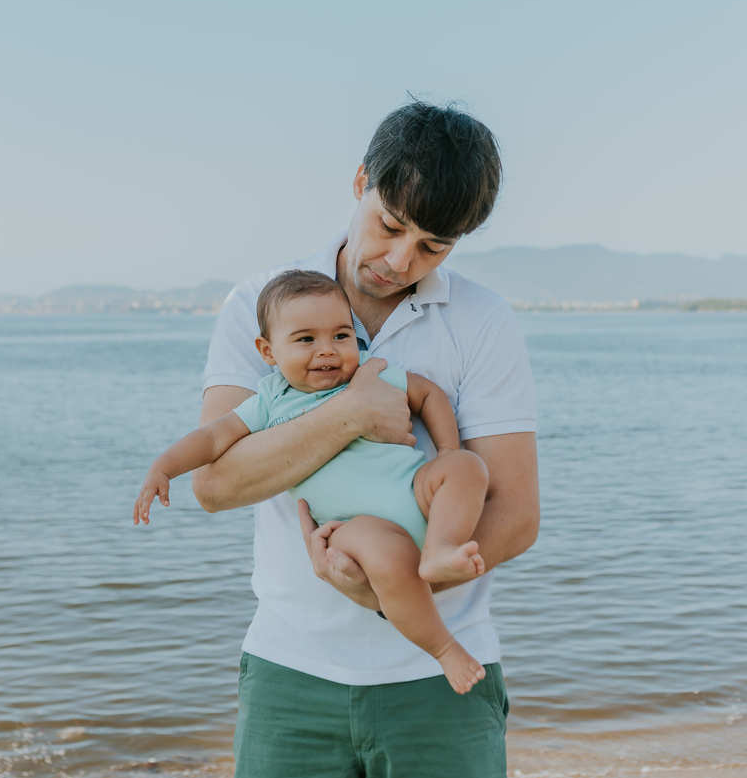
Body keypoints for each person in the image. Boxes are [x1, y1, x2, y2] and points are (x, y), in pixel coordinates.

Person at [193, 101, 539, 778]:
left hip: (444, 674)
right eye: (390, 225)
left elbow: (518, 514)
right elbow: (215, 482)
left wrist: (389, 588)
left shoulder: (483, 321)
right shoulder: (260, 305)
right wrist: (349, 414)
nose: (399, 259)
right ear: (360, 182)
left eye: (432, 246)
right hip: (290, 672)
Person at [135, 269, 492, 693]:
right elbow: (213, 438)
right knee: (390, 560)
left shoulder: (370, 378)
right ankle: (446, 649)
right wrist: (164, 466)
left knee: (469, 468)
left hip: (417, 489)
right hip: (356, 526)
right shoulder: (270, 400)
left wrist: (448, 451)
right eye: (306, 340)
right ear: (268, 351)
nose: (327, 351)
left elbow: (429, 393)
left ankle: (439, 548)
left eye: (341, 336)